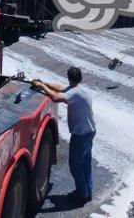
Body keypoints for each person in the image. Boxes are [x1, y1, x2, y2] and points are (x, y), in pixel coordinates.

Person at [32, 67, 96, 205]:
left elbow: (55, 97)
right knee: (85, 164)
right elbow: (60, 88)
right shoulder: (81, 89)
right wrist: (43, 82)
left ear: (69, 78)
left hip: (80, 135)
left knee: (75, 166)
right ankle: (87, 192)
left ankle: (82, 195)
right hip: (90, 132)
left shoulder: (74, 93)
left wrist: (42, 86)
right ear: (80, 77)